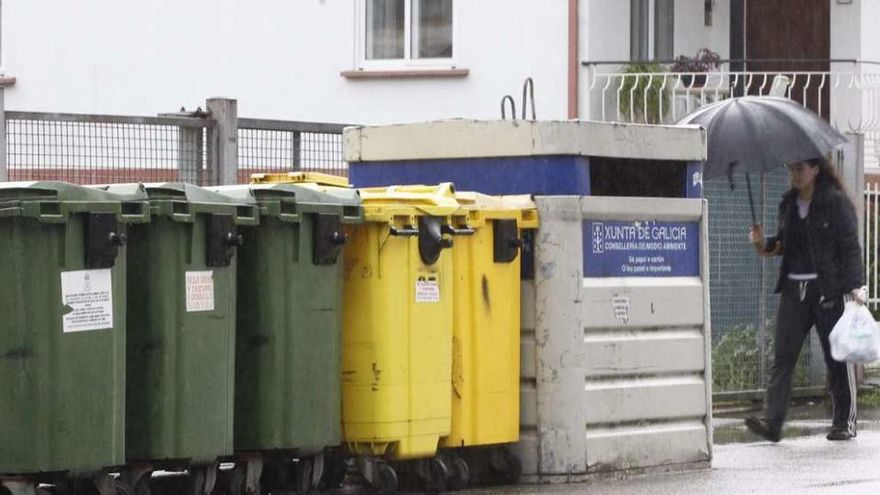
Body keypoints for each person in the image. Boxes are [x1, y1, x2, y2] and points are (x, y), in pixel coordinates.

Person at [745, 157, 866, 442]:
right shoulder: (789, 204)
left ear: (815, 170)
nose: (795, 175)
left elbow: (850, 247)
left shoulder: (835, 202)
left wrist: (855, 289)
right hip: (793, 292)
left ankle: (844, 422)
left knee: (837, 357)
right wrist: (763, 243)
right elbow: (784, 244)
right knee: (783, 360)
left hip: (827, 291)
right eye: (791, 169)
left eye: (800, 168)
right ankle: (773, 425)